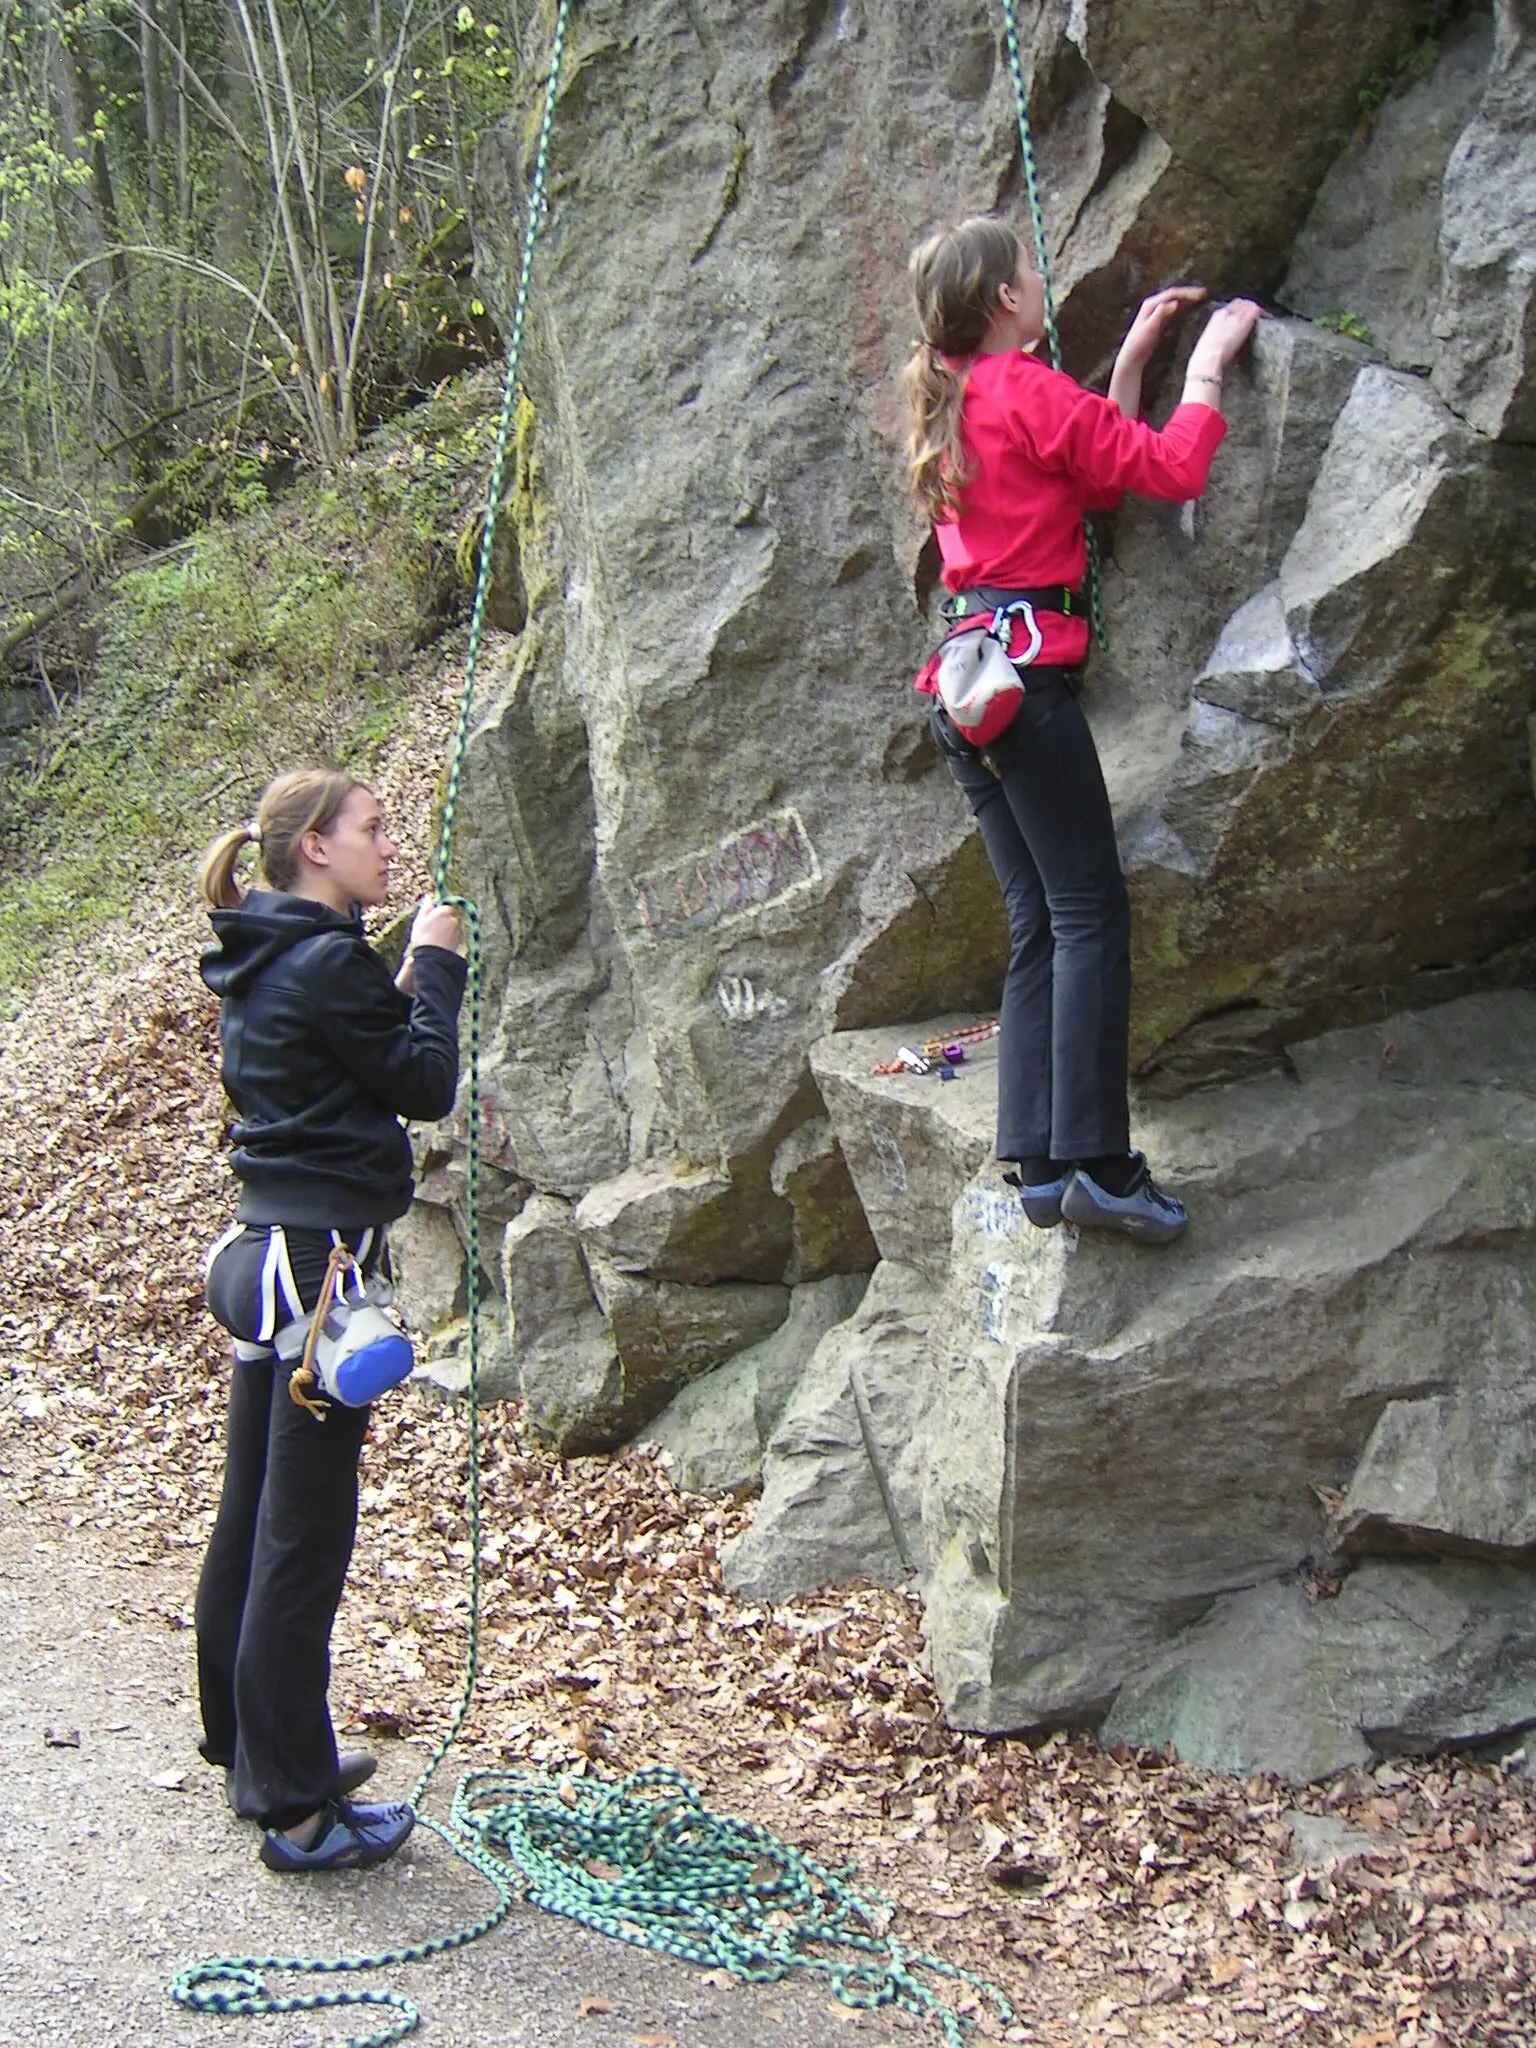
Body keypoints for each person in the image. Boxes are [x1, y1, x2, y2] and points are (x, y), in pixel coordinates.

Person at [902, 216, 1262, 1245]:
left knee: (1040, 919)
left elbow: (1093, 475)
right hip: (1025, 689)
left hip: (964, 692)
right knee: (1091, 912)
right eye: (1026, 267)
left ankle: (1044, 1161)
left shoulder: (962, 398)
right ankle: (1102, 1164)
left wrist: (1139, 358)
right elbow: (1168, 470)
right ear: (1007, 299)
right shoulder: (1026, 387)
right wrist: (1208, 369)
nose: (1036, 275)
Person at [193, 768, 466, 1871]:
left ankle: (248, 1740)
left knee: (252, 1507)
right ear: (314, 847)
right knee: (303, 1533)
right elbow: (424, 1079)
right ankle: (296, 1805)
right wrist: (437, 965)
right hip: (318, 1269)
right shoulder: (326, 960)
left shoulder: (258, 955)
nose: (387, 846)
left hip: (262, 1249)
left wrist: (392, 981)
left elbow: (336, 1056)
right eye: (370, 828)